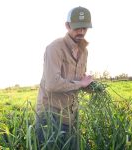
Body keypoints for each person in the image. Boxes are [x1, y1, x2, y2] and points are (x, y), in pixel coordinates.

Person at [35, 6, 94, 149]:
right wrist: (80, 84)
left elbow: (78, 80)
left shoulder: (84, 51)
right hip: (50, 116)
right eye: (77, 28)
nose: (81, 32)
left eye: (84, 28)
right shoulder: (54, 48)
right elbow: (52, 84)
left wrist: (89, 85)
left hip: (71, 115)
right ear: (67, 26)